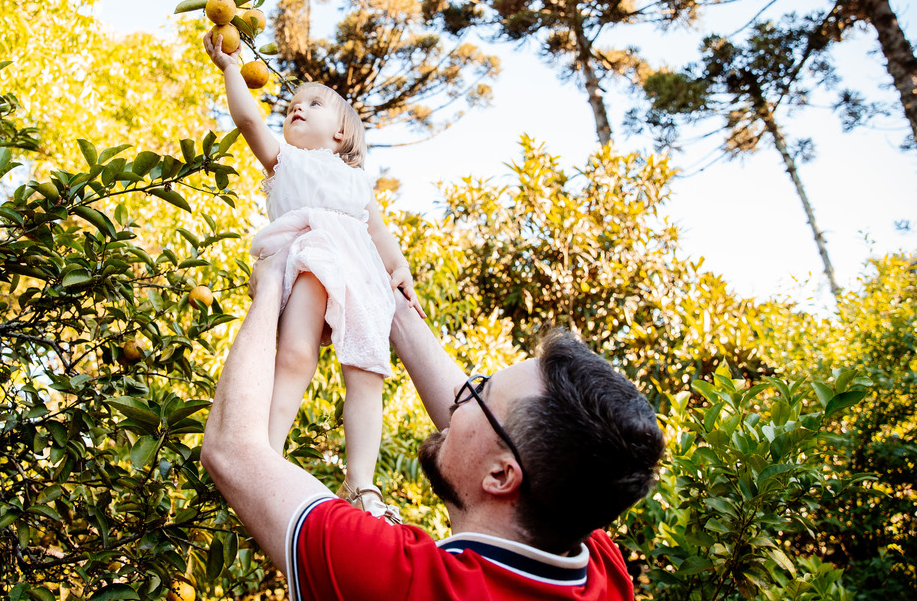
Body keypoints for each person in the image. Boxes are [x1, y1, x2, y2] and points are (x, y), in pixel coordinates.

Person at [201, 250, 666, 600]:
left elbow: (233, 450)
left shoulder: (405, 583)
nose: (458, 402)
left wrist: (268, 287)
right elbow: (503, 436)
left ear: (502, 476)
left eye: (478, 393)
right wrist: (381, 291)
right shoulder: (599, 565)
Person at [202, 29, 424, 521]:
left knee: (367, 371)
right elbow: (247, 118)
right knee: (296, 354)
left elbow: (379, 232)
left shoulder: (355, 179)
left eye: (314, 103)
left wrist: (400, 268)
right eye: (293, 105)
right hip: (308, 258)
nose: (296, 108)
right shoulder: (286, 159)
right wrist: (231, 68)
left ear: (341, 132)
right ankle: (268, 451)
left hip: (359, 274)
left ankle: (362, 483)